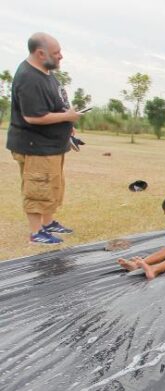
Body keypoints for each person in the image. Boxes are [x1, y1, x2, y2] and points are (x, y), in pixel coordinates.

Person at [7, 33, 81, 245]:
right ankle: (36, 232)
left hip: (52, 145)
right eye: (56, 53)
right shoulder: (29, 77)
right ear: (40, 53)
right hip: (36, 146)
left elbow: (55, 106)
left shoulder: (45, 73)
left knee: (52, 187)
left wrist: (69, 126)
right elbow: (32, 116)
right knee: (38, 188)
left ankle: (47, 223)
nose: (61, 57)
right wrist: (68, 117)